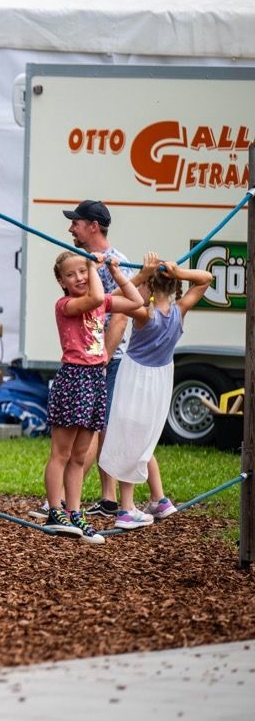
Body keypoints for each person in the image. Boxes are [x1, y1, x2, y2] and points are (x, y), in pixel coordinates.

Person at [99, 253, 212, 528]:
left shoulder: (143, 313)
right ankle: (159, 500)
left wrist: (121, 274)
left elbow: (107, 300)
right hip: (161, 382)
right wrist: (178, 272)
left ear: (148, 286)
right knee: (143, 438)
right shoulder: (180, 310)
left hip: (134, 379)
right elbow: (206, 278)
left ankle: (126, 509)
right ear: (174, 286)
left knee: (128, 439)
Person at [65, 200, 162, 518]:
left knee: (93, 428)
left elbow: (120, 316)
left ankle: (66, 501)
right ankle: (109, 499)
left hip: (107, 359)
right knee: (102, 427)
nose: (71, 228)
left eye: (76, 223)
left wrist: (102, 357)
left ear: (93, 226)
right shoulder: (91, 262)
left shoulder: (113, 262)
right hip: (95, 357)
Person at [40, 252, 146, 544]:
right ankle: (55, 511)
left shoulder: (102, 301)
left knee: (79, 456)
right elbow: (96, 297)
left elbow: (136, 301)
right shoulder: (66, 305)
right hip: (74, 379)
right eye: (71, 274)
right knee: (61, 453)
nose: (79, 277)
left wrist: (117, 272)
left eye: (82, 271)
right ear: (61, 281)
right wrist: (92, 265)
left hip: (95, 380)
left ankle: (75, 513)